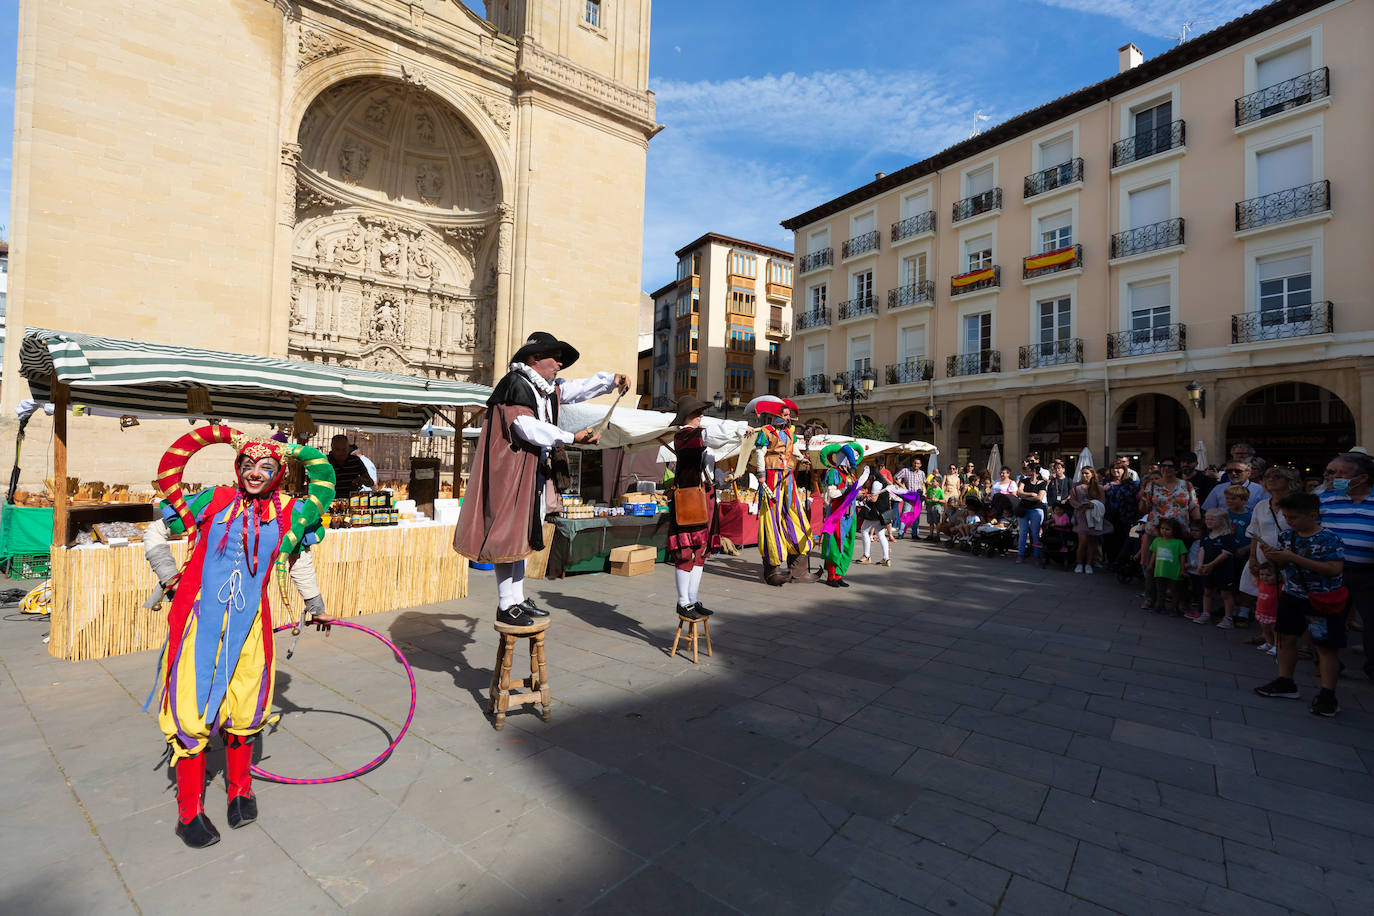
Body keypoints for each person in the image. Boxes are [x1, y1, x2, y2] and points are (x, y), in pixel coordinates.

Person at [142, 425, 335, 848]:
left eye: (266, 466)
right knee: (191, 712)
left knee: (246, 708)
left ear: (279, 472)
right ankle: (188, 811)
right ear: (237, 466)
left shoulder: (291, 511)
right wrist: (167, 574)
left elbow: (298, 554)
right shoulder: (214, 499)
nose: (255, 472)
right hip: (199, 623)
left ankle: (239, 790)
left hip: (250, 628)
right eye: (247, 464)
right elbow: (155, 530)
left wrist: (315, 604)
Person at [453, 331, 624, 627]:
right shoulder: (514, 385)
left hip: (529, 471)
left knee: (521, 535)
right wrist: (571, 436)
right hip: (510, 472)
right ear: (534, 359)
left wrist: (610, 381)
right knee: (507, 535)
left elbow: (574, 389)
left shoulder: (540, 388)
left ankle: (517, 599)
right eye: (554, 358)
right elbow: (526, 428)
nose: (559, 364)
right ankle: (506, 604)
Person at [1255, 492, 1346, 717]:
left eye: (1294, 517)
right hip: (1291, 594)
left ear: (1312, 515)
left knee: (1325, 647)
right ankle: (1286, 681)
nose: (1289, 521)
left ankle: (1328, 694)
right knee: (1285, 638)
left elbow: (1334, 569)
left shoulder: (1329, 538)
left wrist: (1293, 558)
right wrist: (1274, 559)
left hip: (1322, 598)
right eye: (1286, 517)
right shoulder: (1287, 536)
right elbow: (1285, 565)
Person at [665, 396, 741, 621]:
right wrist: (740, 428)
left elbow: (710, 461)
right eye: (696, 412)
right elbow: (711, 436)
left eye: (701, 412)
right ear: (686, 416)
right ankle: (682, 602)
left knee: (701, 551)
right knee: (686, 551)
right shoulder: (685, 435)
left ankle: (692, 599)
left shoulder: (700, 437)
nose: (701, 416)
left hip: (705, 497)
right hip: (689, 499)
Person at [750, 396, 817, 586]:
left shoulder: (789, 433)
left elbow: (793, 450)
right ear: (776, 415)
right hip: (771, 476)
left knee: (794, 515)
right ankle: (773, 570)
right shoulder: (766, 432)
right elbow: (759, 453)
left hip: (788, 477)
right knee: (771, 517)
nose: (788, 418)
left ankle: (798, 569)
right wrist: (761, 475)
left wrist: (801, 458)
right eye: (785, 414)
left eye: (788, 415)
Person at [1318, 451, 1374, 681]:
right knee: (1329, 620)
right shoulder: (1325, 500)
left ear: (1361, 478)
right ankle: (1327, 663)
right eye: (1331, 472)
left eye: (1340, 473)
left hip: (1368, 574)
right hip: (1331, 572)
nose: (1332, 477)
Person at [1240, 466, 1298, 642]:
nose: (1270, 479)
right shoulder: (1261, 505)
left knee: (1288, 597)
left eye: (1276, 476)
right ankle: (1267, 635)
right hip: (1263, 557)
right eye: (1267, 476)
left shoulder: (1298, 504)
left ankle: (1287, 637)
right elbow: (1254, 533)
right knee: (1264, 596)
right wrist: (1252, 557)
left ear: (1289, 480)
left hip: (1290, 559)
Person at [1136, 456, 1198, 608]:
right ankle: (1151, 598)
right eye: (1163, 465)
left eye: (1170, 466)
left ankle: (1181, 600)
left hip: (1180, 531)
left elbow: (1193, 506)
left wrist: (1198, 526)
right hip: (1156, 531)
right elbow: (1143, 509)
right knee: (1152, 564)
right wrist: (1143, 500)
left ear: (1176, 469)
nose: (1166, 468)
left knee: (1179, 566)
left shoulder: (1186, 485)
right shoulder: (1152, 485)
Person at [819, 442, 864, 587]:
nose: (853, 463)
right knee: (835, 543)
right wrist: (847, 490)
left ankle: (839, 575)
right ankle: (831, 577)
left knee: (847, 544)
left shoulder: (849, 474)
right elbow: (832, 493)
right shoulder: (834, 472)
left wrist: (862, 496)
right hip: (837, 513)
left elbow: (852, 493)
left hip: (850, 514)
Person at [1193, 509, 1240, 628]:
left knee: (1226, 593)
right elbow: (1201, 550)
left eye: (1212, 519)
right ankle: (1205, 613)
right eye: (1207, 519)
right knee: (1207, 591)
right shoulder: (1206, 536)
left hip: (1223, 570)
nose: (1209, 521)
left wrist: (1211, 564)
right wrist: (1200, 565)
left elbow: (1226, 554)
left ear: (1222, 521)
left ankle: (1228, 618)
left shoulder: (1226, 536)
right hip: (1207, 569)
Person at [1069, 465, 1107, 574]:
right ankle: (1079, 563)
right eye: (1083, 473)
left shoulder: (1098, 487)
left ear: (1092, 474)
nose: (1084, 475)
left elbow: (1102, 501)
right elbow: (1072, 500)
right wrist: (1082, 505)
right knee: (1082, 541)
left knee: (1092, 541)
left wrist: (1093, 505)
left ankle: (1089, 564)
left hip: (1094, 516)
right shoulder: (1076, 486)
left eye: (1087, 473)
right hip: (1080, 515)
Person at [1145, 517, 1187, 614]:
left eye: (1167, 529)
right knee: (1160, 590)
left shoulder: (1178, 542)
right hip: (1160, 570)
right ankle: (1160, 606)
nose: (1164, 531)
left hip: (1174, 571)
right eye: (1162, 528)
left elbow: (1182, 555)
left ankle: (1174, 608)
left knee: (1175, 591)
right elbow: (1154, 553)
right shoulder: (1157, 541)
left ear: (1174, 531)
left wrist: (1182, 569)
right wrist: (1151, 564)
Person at [1014, 459, 1047, 564]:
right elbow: (1019, 492)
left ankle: (1037, 555)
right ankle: (1021, 554)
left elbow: (1039, 498)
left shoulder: (1042, 482)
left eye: (1027, 469)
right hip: (1023, 509)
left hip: (1036, 509)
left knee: (1035, 533)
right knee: (1023, 532)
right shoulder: (1024, 480)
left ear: (1033, 471)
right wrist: (1032, 494)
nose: (1025, 470)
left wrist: (1026, 496)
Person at [856, 472, 892, 567]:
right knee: (881, 534)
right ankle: (886, 558)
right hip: (883, 511)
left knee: (864, 530)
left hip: (877, 512)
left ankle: (866, 556)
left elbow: (874, 499)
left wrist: (864, 497)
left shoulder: (876, 483)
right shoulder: (882, 482)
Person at [327, 433, 376, 500]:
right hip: (329, 503)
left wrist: (362, 480)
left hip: (352, 503)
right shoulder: (324, 462)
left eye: (344, 449)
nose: (341, 453)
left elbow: (370, 482)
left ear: (348, 448)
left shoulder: (355, 461)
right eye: (338, 449)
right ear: (332, 448)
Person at [893, 457, 926, 539]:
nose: (916, 465)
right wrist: (902, 486)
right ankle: (901, 532)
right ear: (912, 463)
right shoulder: (906, 470)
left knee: (916, 515)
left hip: (918, 495)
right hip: (909, 494)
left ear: (920, 465)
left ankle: (914, 534)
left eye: (918, 463)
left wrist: (924, 492)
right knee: (905, 513)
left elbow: (923, 483)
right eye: (915, 463)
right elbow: (895, 478)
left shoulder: (921, 473)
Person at [924, 472, 946, 542]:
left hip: (936, 506)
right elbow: (927, 497)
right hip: (930, 506)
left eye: (933, 481)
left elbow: (944, 500)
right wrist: (926, 498)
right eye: (932, 481)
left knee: (937, 522)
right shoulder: (930, 489)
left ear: (938, 483)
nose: (932, 482)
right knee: (930, 522)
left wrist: (938, 500)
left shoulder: (940, 491)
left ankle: (937, 536)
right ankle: (931, 535)